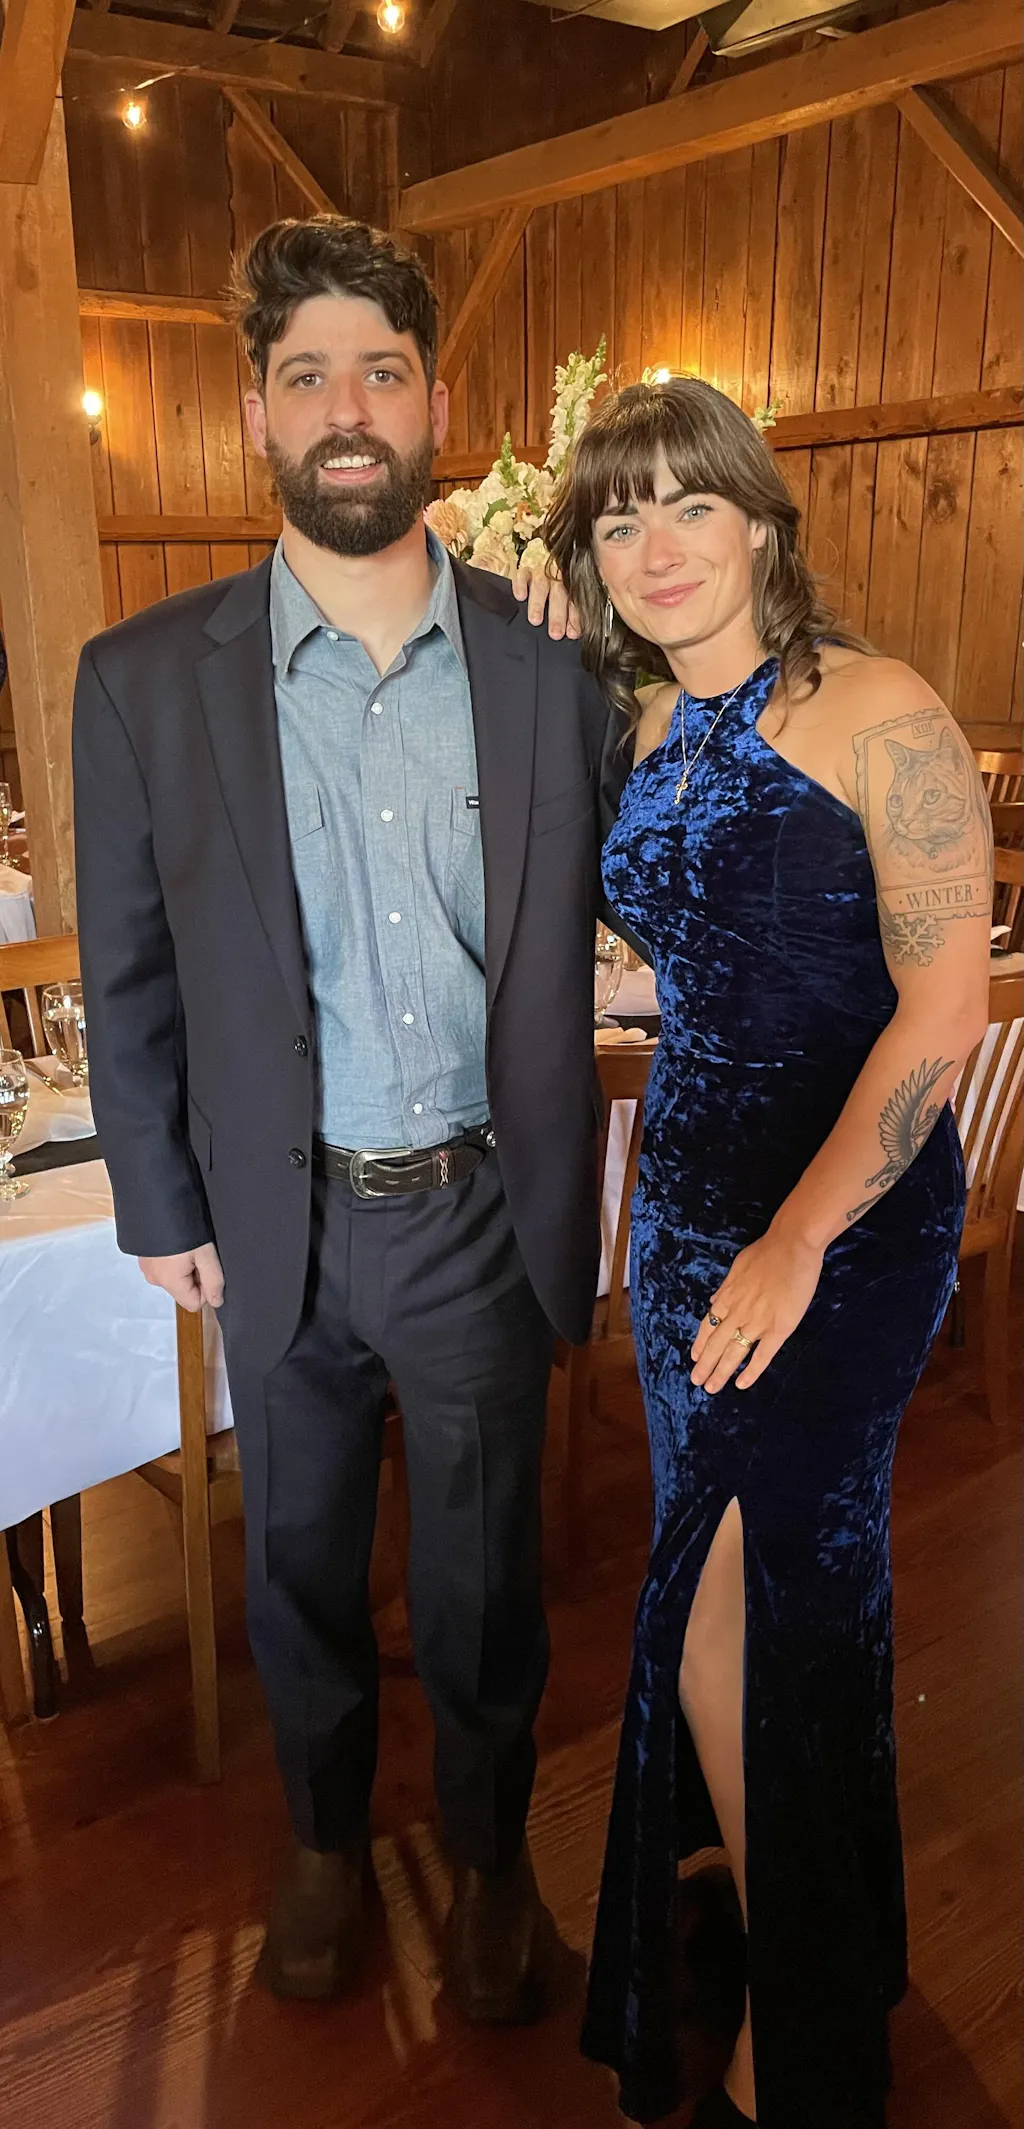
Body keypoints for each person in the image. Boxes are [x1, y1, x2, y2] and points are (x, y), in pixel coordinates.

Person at [72, 216, 628, 2021]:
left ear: (435, 403)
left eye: (380, 371)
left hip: (482, 1208)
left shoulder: (550, 664)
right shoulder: (143, 678)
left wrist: (593, 592)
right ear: (256, 412)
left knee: (483, 1582)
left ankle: (490, 1858)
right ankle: (322, 1845)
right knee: (296, 1562)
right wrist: (159, 1200)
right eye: (305, 374)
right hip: (276, 1220)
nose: (346, 408)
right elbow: (130, 974)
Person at [543, 376, 991, 2129]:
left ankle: (806, 2044)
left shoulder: (879, 707)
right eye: (618, 520)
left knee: (762, 1603)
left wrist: (801, 1239)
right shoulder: (645, 723)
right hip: (683, 1212)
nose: (656, 547)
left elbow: (942, 1010)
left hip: (844, 1225)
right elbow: (710, 945)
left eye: (689, 505)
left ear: (758, 520)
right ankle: (814, 1933)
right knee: (735, 1594)